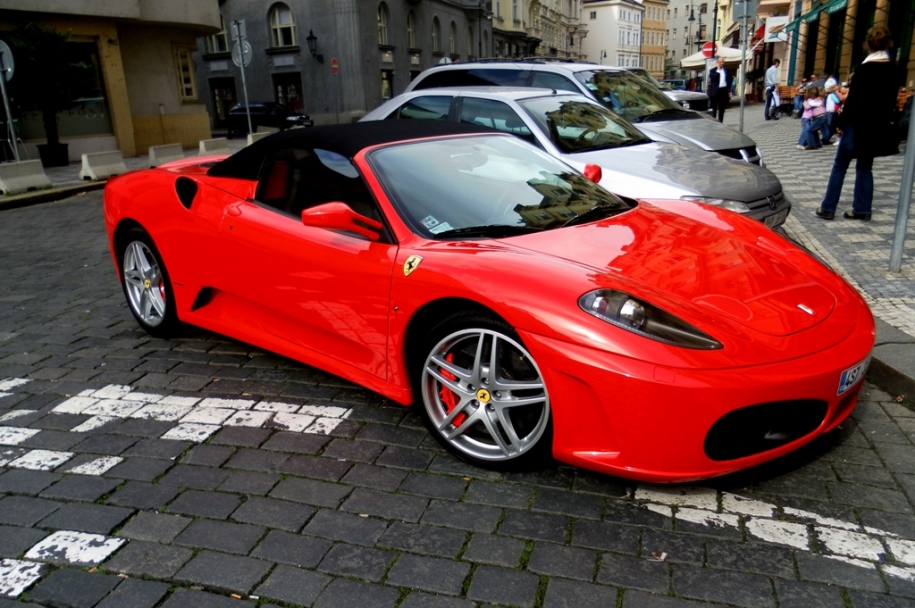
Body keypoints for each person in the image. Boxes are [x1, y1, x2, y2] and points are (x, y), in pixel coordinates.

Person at [816, 26, 899, 221]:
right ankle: (862, 209)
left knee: (840, 165)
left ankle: (828, 207)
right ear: (887, 44)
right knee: (864, 167)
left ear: (867, 45)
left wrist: (840, 123)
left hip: (857, 124)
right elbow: (890, 102)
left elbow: (854, 102)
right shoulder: (894, 70)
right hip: (876, 126)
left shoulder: (864, 69)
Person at [707, 57, 734, 123]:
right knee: (714, 108)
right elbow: (713, 78)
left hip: (723, 90)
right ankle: (713, 122)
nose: (722, 63)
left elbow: (729, 80)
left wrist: (729, 90)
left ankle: (720, 122)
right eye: (720, 62)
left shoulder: (726, 70)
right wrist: (718, 69)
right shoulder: (712, 71)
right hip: (715, 91)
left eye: (723, 62)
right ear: (717, 63)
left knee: (722, 108)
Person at [822, 79, 841, 143]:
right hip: (831, 112)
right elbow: (837, 101)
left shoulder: (828, 95)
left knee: (828, 125)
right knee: (830, 126)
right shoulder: (832, 95)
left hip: (828, 111)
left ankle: (825, 138)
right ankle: (826, 138)